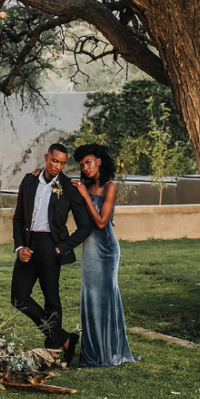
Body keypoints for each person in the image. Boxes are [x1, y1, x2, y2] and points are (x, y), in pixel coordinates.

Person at [11, 143, 93, 365]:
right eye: (55, 161)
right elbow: (18, 217)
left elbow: (85, 227)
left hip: (51, 246)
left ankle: (53, 349)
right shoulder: (29, 181)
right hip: (28, 244)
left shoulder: (69, 188)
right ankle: (64, 338)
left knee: (51, 300)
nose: (58, 166)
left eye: (63, 163)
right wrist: (20, 247)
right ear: (46, 157)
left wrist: (61, 247)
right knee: (19, 298)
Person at [72, 143, 136, 368]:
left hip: (106, 250)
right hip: (89, 249)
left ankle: (111, 353)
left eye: (88, 163)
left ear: (99, 161)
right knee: (89, 297)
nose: (85, 168)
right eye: (82, 165)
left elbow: (100, 222)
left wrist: (84, 195)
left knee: (105, 298)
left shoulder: (110, 187)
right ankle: (92, 352)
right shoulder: (85, 186)